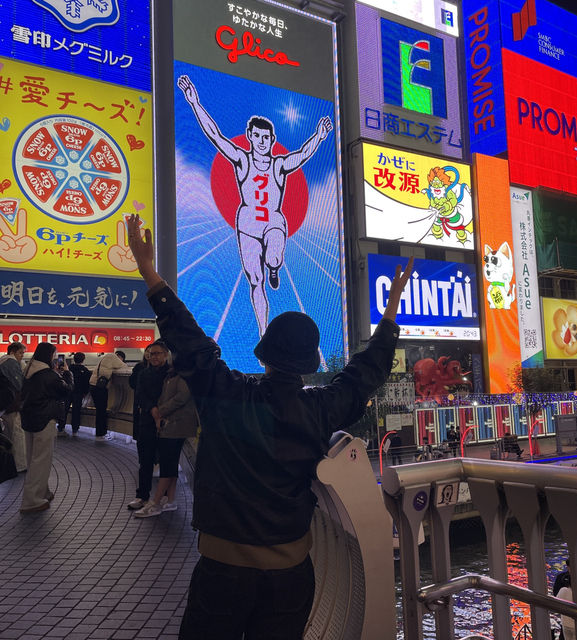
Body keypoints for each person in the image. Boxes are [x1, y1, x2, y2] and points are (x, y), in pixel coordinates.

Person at [126, 213, 412, 639]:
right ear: (310, 363)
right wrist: (388, 316)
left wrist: (148, 269)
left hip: (221, 566)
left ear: (263, 355)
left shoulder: (224, 392)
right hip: (289, 571)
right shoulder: (320, 408)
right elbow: (363, 376)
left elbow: (187, 338)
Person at [177, 74, 333, 337]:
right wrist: (194, 102)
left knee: (273, 257)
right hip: (248, 222)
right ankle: (263, 333)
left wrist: (318, 136)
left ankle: (274, 267)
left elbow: (302, 155)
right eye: (257, 136)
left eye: (266, 137)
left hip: (273, 221)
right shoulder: (242, 159)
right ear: (250, 136)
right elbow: (215, 135)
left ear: (272, 140)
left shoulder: (279, 164)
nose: (261, 141)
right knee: (255, 281)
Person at [134, 367, 199, 517]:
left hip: (176, 425)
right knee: (171, 461)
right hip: (176, 424)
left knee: (167, 463)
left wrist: (161, 411)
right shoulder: (174, 374)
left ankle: (155, 503)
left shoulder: (183, 375)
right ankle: (170, 500)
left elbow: (182, 396)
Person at [19, 342, 73, 513]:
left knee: (32, 458)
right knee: (41, 461)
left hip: (29, 418)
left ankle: (43, 491)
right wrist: (67, 373)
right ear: (49, 356)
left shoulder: (28, 371)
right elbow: (67, 390)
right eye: (54, 355)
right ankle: (31, 500)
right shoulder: (48, 374)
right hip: (44, 419)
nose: (55, 358)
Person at [126, 341, 170, 511]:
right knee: (145, 460)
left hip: (167, 422)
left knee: (166, 460)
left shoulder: (172, 374)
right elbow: (140, 394)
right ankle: (142, 496)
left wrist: (161, 411)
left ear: (166, 355)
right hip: (146, 420)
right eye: (151, 354)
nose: (154, 357)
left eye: (158, 353)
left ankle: (164, 496)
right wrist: (153, 409)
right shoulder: (143, 374)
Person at [89, 351, 129, 441]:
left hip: (94, 386)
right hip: (100, 388)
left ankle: (100, 433)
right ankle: (100, 434)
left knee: (100, 410)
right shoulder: (113, 357)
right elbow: (124, 366)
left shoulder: (106, 357)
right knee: (101, 411)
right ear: (119, 357)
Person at [0, 342, 27, 472]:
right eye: (21, 353)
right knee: (17, 433)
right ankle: (20, 465)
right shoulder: (11, 363)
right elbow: (19, 384)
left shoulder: (2, 361)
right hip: (12, 404)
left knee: (7, 432)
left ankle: (9, 463)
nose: (22, 356)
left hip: (3, 404)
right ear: (12, 352)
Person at [67, 352, 91, 436]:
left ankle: (61, 427)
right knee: (76, 411)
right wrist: (84, 392)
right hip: (78, 393)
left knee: (65, 409)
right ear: (83, 360)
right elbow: (87, 383)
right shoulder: (85, 371)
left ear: (74, 359)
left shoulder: (69, 368)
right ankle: (75, 430)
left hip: (68, 392)